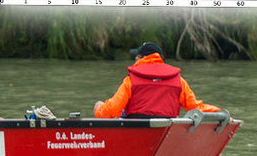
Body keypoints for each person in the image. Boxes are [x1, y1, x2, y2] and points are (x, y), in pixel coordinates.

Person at [93, 42, 222, 118]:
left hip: (136, 134)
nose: (135, 61)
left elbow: (113, 109)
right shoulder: (179, 81)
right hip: (166, 135)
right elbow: (195, 107)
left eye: (136, 57)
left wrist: (99, 109)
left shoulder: (130, 80)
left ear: (141, 58)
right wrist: (218, 112)